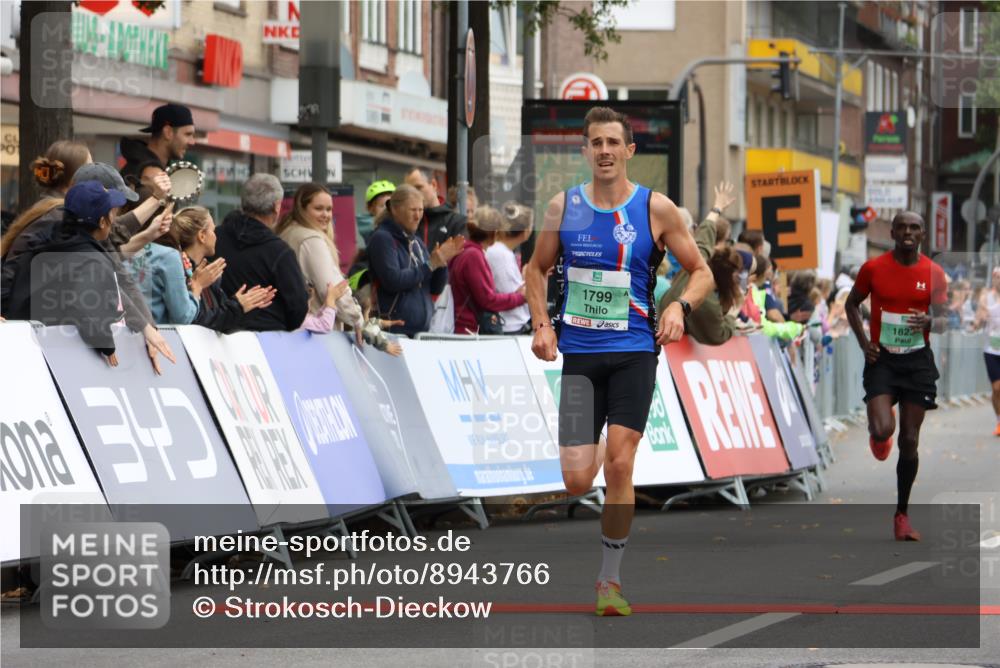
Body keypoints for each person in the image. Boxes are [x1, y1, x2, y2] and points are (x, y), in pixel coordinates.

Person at [524, 106, 713, 617]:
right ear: (585, 151)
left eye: (613, 142)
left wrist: (678, 304)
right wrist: (542, 323)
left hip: (633, 350)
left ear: (630, 150)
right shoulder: (564, 208)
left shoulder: (657, 209)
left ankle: (609, 581)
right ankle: (599, 441)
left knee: (622, 464)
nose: (604, 150)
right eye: (596, 143)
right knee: (577, 480)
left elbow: (700, 271)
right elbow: (535, 269)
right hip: (580, 356)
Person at [845, 211, 949, 542]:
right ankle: (881, 425)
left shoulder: (934, 274)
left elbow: (945, 319)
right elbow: (851, 305)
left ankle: (902, 514)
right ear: (892, 232)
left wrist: (929, 321)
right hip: (884, 361)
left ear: (922, 235)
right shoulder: (873, 269)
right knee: (883, 429)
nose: (908, 231)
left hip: (917, 363)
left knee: (910, 441)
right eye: (902, 226)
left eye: (915, 227)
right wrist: (865, 345)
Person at [5, 182, 129, 361]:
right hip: (63, 360)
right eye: (112, 212)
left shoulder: (42, 242)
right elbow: (85, 309)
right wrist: (106, 344)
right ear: (102, 222)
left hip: (22, 352)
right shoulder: (92, 261)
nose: (114, 218)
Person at [214, 174, 310, 332]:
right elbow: (298, 307)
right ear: (276, 207)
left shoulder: (215, 237)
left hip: (215, 336)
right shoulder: (279, 251)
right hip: (268, 337)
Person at [367, 184, 464, 337]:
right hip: (393, 333)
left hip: (419, 332)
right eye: (413, 210)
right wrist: (430, 264)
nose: (418, 216)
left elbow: (435, 288)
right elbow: (393, 280)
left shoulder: (417, 242)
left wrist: (441, 263)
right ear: (394, 210)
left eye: (421, 210)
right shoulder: (382, 238)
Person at [277, 183, 364, 341]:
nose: (326, 214)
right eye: (319, 208)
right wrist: (357, 319)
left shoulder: (287, 233)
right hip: (316, 334)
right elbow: (332, 289)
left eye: (329, 209)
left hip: (296, 329)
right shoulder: (311, 239)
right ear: (302, 209)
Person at [167, 206, 275, 333]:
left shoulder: (207, 272)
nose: (216, 236)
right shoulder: (178, 271)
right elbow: (197, 323)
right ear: (202, 236)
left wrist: (247, 306)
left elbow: (220, 322)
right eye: (213, 230)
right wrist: (237, 306)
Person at [660, 183, 742, 346]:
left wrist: (717, 208)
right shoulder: (707, 301)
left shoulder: (697, 262)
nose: (738, 278)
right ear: (727, 276)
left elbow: (704, 237)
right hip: (664, 346)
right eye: (736, 274)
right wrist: (733, 314)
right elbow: (718, 335)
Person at [449, 206, 526, 335]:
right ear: (495, 232)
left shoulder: (466, 251)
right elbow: (487, 300)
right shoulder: (473, 256)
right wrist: (521, 297)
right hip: (469, 330)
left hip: (465, 327)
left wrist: (517, 295)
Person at [120, 103, 197, 203]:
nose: (192, 142)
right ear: (168, 132)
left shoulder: (141, 163)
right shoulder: (153, 174)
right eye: (187, 134)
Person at [486, 201, 534, 334]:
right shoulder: (500, 254)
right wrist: (530, 279)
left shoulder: (503, 251)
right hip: (508, 326)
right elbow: (515, 294)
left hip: (510, 323)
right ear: (526, 231)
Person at [403, 167, 468, 251]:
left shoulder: (457, 222)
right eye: (409, 191)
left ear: (434, 185)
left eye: (418, 187)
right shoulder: (405, 224)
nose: (414, 194)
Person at [975, 268, 1000, 435]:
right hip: (991, 349)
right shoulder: (986, 298)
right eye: (996, 276)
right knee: (997, 388)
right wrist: (980, 319)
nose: (998, 279)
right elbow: (977, 321)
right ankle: (999, 420)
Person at [357, 179, 395, 246]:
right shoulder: (372, 229)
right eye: (382, 206)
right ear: (370, 208)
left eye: (391, 205)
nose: (388, 209)